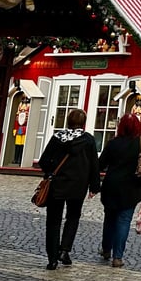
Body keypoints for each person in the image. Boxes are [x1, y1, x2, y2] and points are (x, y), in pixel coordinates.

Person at [37, 108, 100, 270]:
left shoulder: (57, 138)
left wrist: (50, 172)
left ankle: (52, 259)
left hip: (57, 185)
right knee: (73, 217)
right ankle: (64, 250)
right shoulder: (88, 140)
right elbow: (94, 165)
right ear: (83, 123)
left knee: (53, 221)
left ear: (68, 121)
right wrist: (94, 186)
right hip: (78, 186)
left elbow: (44, 161)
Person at [98, 112, 141, 268]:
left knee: (109, 219)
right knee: (124, 221)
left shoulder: (112, 143)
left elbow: (100, 164)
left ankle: (106, 249)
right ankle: (118, 257)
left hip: (111, 186)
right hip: (131, 188)